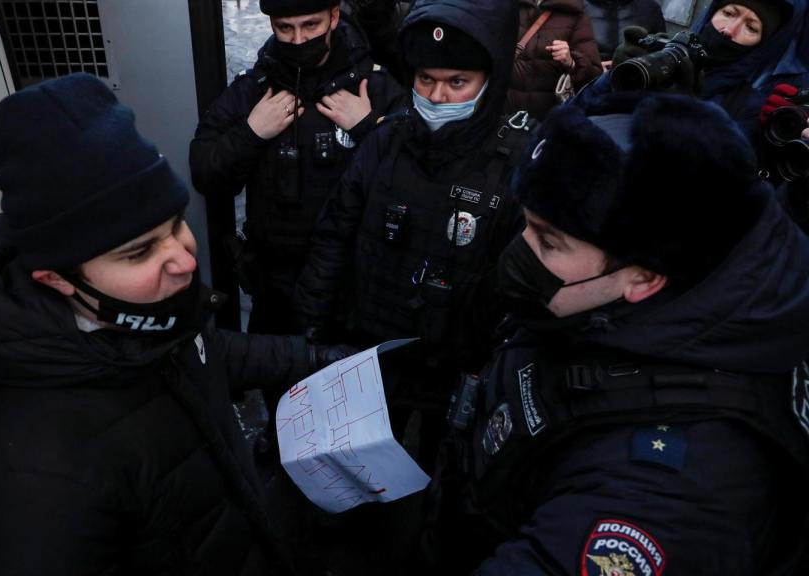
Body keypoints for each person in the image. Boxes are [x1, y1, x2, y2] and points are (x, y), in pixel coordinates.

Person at [0, 73, 348, 575]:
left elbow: (202, 352)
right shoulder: (37, 480)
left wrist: (319, 359)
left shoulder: (146, 318)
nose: (186, 261)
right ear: (57, 279)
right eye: (139, 252)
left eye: (175, 224)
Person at [430, 91, 809, 574]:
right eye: (526, 224)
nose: (519, 251)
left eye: (548, 241)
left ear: (645, 278)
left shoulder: (676, 489)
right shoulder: (587, 301)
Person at [294, 0, 528, 477]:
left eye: (457, 83)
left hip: (457, 363)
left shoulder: (516, 161)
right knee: (364, 471)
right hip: (376, 351)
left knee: (442, 473)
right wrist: (312, 327)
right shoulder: (387, 139)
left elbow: (521, 282)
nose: (438, 96)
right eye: (426, 80)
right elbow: (335, 232)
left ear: (491, 79)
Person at [189, 0, 405, 336]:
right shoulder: (254, 90)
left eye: (311, 25)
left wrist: (369, 127)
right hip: (275, 288)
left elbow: (419, 177)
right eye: (285, 28)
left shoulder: (372, 88)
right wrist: (251, 133)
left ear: (334, 17)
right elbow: (206, 173)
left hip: (353, 289)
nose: (299, 39)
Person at [575, 0, 802, 140]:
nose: (729, 30)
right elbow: (574, 115)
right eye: (729, 13)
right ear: (711, 13)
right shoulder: (660, 60)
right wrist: (615, 79)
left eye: (751, 27)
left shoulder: (747, 106)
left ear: (762, 45)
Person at [506, 0, 603, 118]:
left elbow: (594, 75)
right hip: (502, 112)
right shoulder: (507, 5)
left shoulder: (574, 12)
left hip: (547, 117)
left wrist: (571, 61)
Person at [583, 0, 665, 66]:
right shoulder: (577, 7)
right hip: (588, 80)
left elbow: (662, 57)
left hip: (635, 78)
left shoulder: (650, 8)